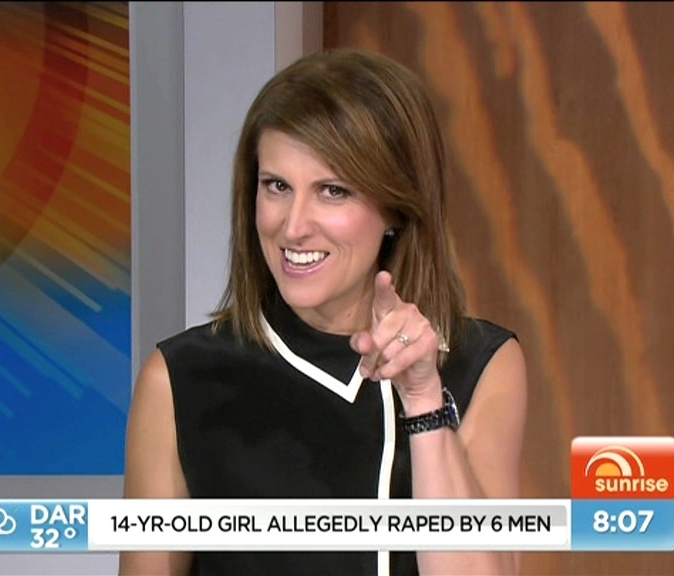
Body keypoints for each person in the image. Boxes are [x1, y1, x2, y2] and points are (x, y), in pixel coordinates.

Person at [119, 48, 527, 576]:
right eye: (277, 187)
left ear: (396, 208)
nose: (293, 227)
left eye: (332, 191)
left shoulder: (482, 363)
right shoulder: (178, 378)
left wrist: (424, 403)